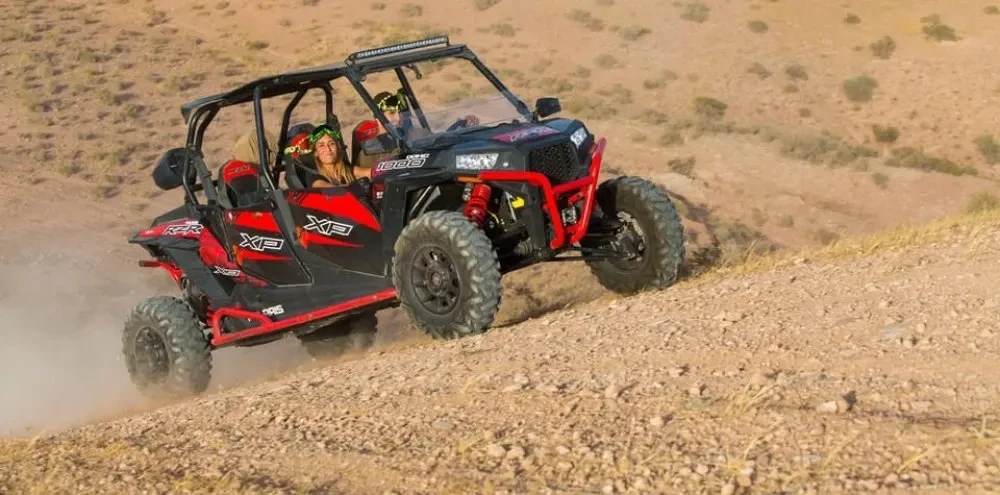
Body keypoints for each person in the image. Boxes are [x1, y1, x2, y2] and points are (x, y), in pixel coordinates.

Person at [299, 123, 372, 188]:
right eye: (321, 146)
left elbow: (373, 172)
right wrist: (358, 186)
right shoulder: (313, 175)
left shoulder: (347, 170)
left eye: (331, 144)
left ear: (338, 147)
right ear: (316, 153)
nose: (328, 149)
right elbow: (324, 188)